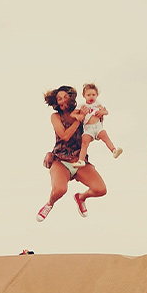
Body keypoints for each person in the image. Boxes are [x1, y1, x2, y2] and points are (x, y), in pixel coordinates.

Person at [36, 86, 108, 222]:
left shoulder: (82, 111)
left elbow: (94, 129)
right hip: (60, 160)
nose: (62, 101)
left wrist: (100, 114)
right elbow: (64, 136)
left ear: (71, 98)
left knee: (101, 189)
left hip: (79, 160)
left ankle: (80, 198)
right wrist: (77, 121)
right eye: (59, 99)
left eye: (65, 97)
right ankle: (50, 203)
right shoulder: (56, 116)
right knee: (59, 190)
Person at [73, 82, 122, 167]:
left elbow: (106, 112)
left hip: (98, 126)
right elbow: (73, 114)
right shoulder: (82, 105)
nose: (91, 97)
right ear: (83, 95)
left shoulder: (97, 104)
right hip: (88, 128)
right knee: (84, 142)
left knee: (105, 137)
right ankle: (81, 160)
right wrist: (78, 116)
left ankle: (114, 151)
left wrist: (102, 112)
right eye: (88, 95)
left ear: (97, 95)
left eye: (93, 94)